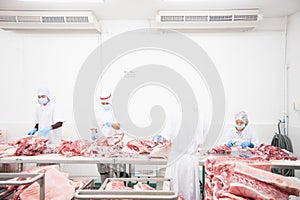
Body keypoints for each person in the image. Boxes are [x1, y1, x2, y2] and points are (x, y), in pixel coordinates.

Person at [95, 92, 128, 184]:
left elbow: (118, 126)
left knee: (119, 168)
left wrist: (111, 124)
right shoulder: (100, 113)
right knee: (103, 168)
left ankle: (121, 188)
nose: (105, 105)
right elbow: (95, 126)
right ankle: (105, 187)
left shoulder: (117, 112)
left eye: (106, 103)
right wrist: (94, 133)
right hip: (103, 144)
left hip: (115, 144)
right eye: (103, 103)